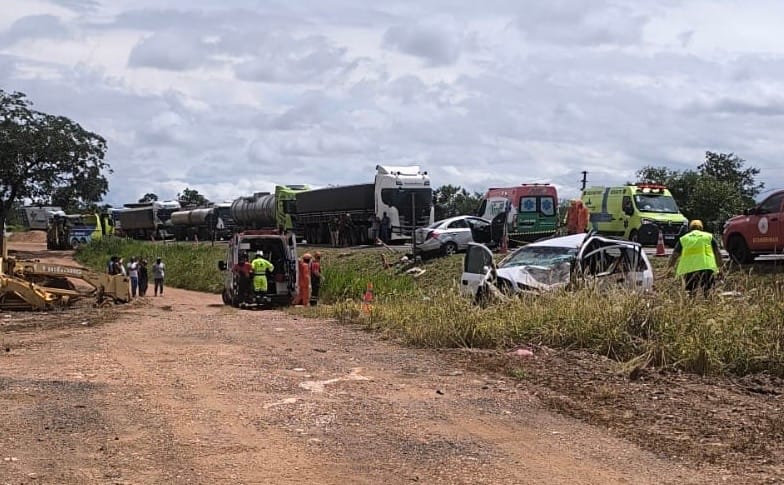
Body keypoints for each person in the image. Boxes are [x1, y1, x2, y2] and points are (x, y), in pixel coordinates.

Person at [667, 219, 723, 297]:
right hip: (707, 268)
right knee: (709, 294)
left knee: (691, 295)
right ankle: (709, 307)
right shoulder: (709, 237)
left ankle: (691, 307)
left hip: (689, 270)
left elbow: (674, 256)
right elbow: (718, 253)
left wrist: (669, 269)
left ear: (690, 229)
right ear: (702, 228)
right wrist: (720, 268)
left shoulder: (684, 239)